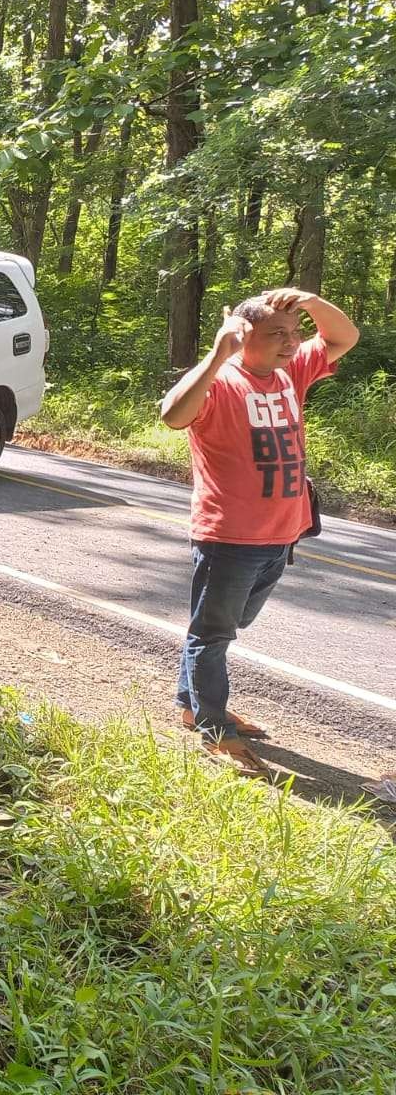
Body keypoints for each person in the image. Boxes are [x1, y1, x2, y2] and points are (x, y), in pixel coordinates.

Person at [159, 287, 359, 773]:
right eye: (277, 334)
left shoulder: (290, 373)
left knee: (226, 626)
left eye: (293, 335)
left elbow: (344, 336)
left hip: (281, 532)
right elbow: (173, 415)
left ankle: (192, 702)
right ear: (244, 335)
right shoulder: (222, 381)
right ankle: (213, 726)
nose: (291, 343)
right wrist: (216, 352)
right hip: (229, 535)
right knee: (213, 633)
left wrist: (309, 302)